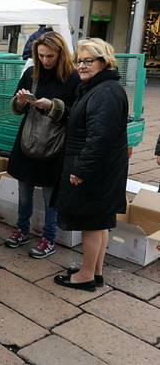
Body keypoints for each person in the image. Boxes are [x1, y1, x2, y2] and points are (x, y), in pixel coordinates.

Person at [54, 38, 129, 291]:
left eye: (88, 61)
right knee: (100, 222)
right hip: (103, 169)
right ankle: (95, 271)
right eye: (79, 61)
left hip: (96, 170)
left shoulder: (105, 91)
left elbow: (99, 137)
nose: (81, 66)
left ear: (103, 61)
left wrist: (81, 170)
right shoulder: (98, 87)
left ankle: (85, 277)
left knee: (91, 224)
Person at [4, 31, 79, 258]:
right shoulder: (30, 73)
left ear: (61, 54)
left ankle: (49, 238)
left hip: (54, 146)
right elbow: (17, 110)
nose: (45, 61)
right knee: (24, 192)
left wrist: (52, 106)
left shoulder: (73, 79)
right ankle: (22, 229)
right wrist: (19, 101)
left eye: (50, 56)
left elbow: (75, 115)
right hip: (28, 141)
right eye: (42, 56)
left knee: (50, 197)